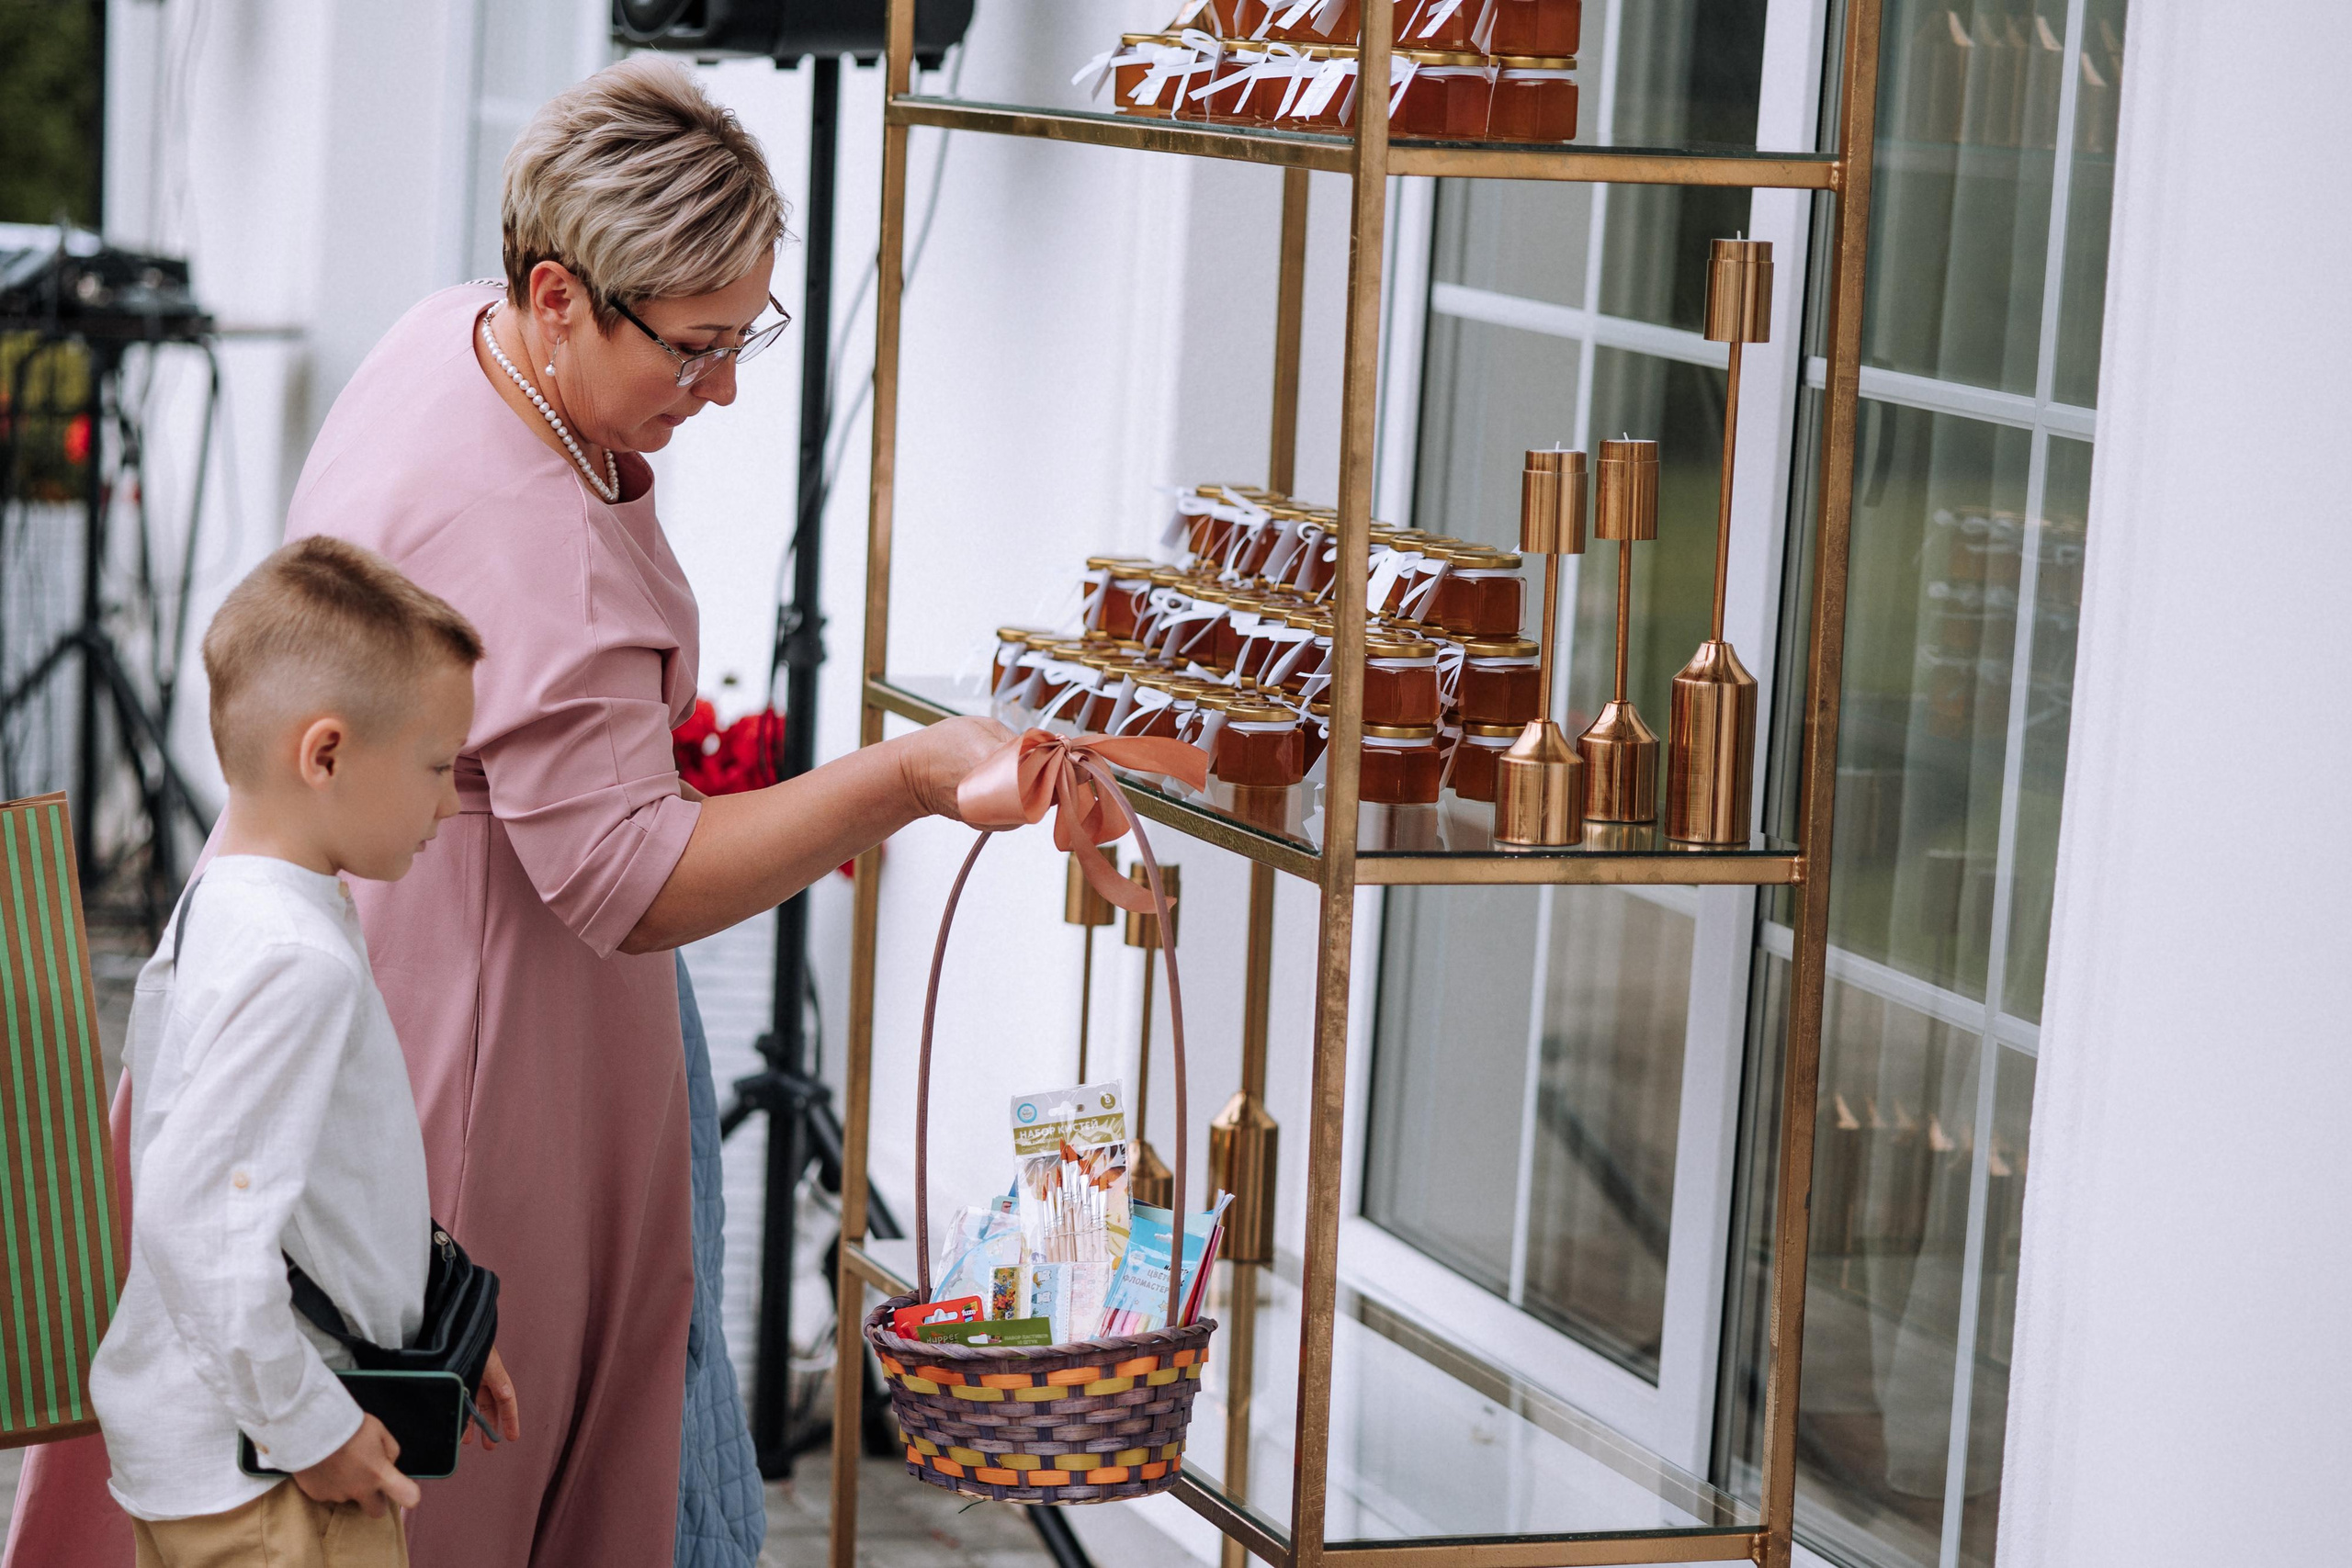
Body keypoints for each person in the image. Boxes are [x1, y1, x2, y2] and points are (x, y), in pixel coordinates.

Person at [0, 55, 1013, 1568]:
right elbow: (626, 881)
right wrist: (913, 776)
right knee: (435, 1452)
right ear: (557, 295)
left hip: (372, 917)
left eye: (749, 335)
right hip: (481, 1027)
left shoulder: (441, 336)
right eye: (694, 346)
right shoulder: (533, 531)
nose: (726, 385)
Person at [90, 537, 525, 1566]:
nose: (449, 805)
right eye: (433, 767)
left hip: (221, 1450)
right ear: (324, 754)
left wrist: (438, 1320)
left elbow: (313, 1182)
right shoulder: (296, 958)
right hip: (272, 1474)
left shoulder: (231, 906)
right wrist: (311, 1430)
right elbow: (202, 1222)